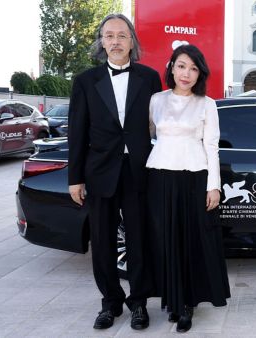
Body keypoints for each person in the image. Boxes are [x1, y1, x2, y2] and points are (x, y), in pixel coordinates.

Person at [67, 14, 162, 330]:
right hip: (99, 173)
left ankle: (138, 303)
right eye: (110, 35)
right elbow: (77, 133)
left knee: (138, 240)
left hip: (138, 171)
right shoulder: (85, 81)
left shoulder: (149, 78)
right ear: (102, 42)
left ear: (132, 41)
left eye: (122, 35)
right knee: (103, 242)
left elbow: (160, 126)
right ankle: (110, 303)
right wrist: (75, 178)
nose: (116, 41)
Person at [146, 44, 230, 333]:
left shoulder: (207, 103)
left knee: (191, 240)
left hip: (195, 177)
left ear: (200, 74)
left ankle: (188, 304)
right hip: (158, 176)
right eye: (181, 66)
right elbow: (146, 137)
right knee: (164, 239)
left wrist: (214, 187)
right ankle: (173, 300)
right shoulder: (156, 100)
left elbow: (212, 147)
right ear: (171, 67)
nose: (187, 73)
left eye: (194, 68)